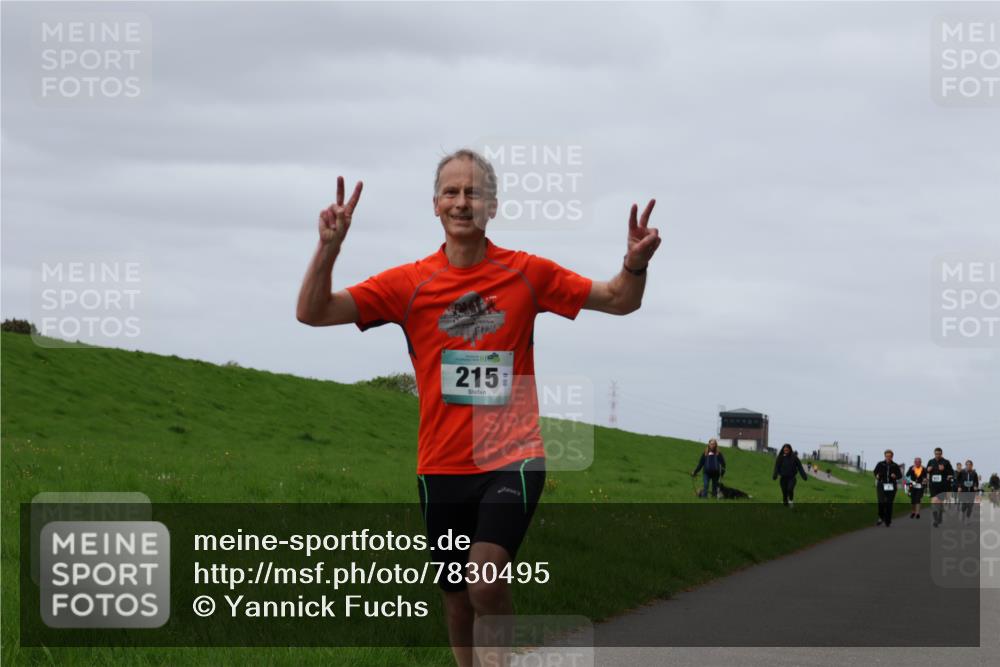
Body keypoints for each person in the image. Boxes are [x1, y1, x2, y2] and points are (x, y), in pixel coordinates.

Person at [295, 149, 660, 667]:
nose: (462, 202)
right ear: (435, 204)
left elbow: (620, 300)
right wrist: (328, 248)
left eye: (474, 193)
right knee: (456, 600)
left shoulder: (527, 273)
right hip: (441, 466)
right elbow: (312, 312)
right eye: (452, 192)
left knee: (484, 581)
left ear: (492, 206)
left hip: (513, 457)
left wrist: (634, 264)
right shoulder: (408, 283)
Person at [926, 447, 955, 528]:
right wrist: (928, 470)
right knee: (934, 502)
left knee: (940, 503)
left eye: (939, 454)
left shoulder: (946, 462)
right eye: (936, 454)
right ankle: (935, 520)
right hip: (933, 485)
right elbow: (926, 471)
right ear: (934, 454)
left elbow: (951, 472)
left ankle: (940, 516)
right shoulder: (931, 461)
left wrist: (944, 469)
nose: (937, 455)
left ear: (941, 454)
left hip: (943, 486)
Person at [873, 449, 903, 527]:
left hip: (891, 486)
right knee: (881, 502)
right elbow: (875, 472)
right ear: (885, 456)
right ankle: (881, 517)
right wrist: (877, 475)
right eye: (887, 456)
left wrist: (895, 476)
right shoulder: (880, 464)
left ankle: (888, 520)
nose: (888, 458)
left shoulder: (895, 465)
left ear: (892, 457)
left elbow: (900, 475)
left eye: (889, 456)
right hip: (881, 485)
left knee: (889, 503)